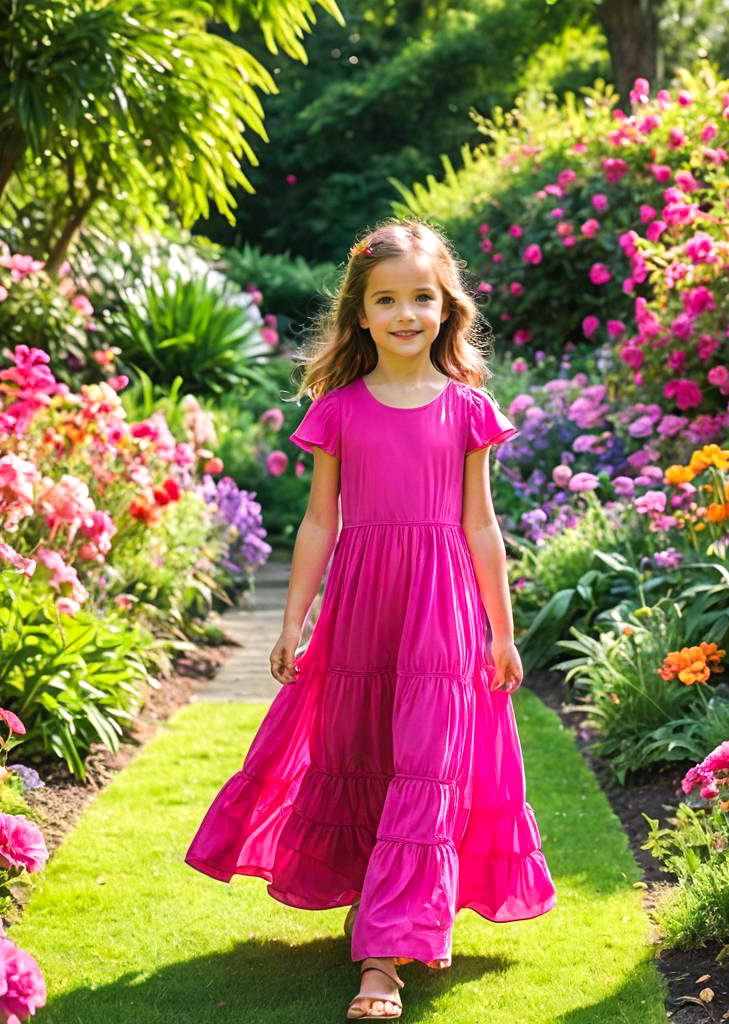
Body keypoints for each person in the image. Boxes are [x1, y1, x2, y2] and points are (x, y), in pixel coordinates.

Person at [185, 217, 556, 1020]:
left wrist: (503, 629)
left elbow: (482, 526)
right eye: (387, 300)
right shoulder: (339, 410)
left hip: (442, 606)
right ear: (360, 314)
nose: (405, 314)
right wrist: (292, 622)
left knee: (427, 763)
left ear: (446, 307)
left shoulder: (468, 409)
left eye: (422, 297)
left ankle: (382, 963)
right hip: (362, 604)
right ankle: (382, 903)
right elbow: (319, 522)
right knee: (363, 750)